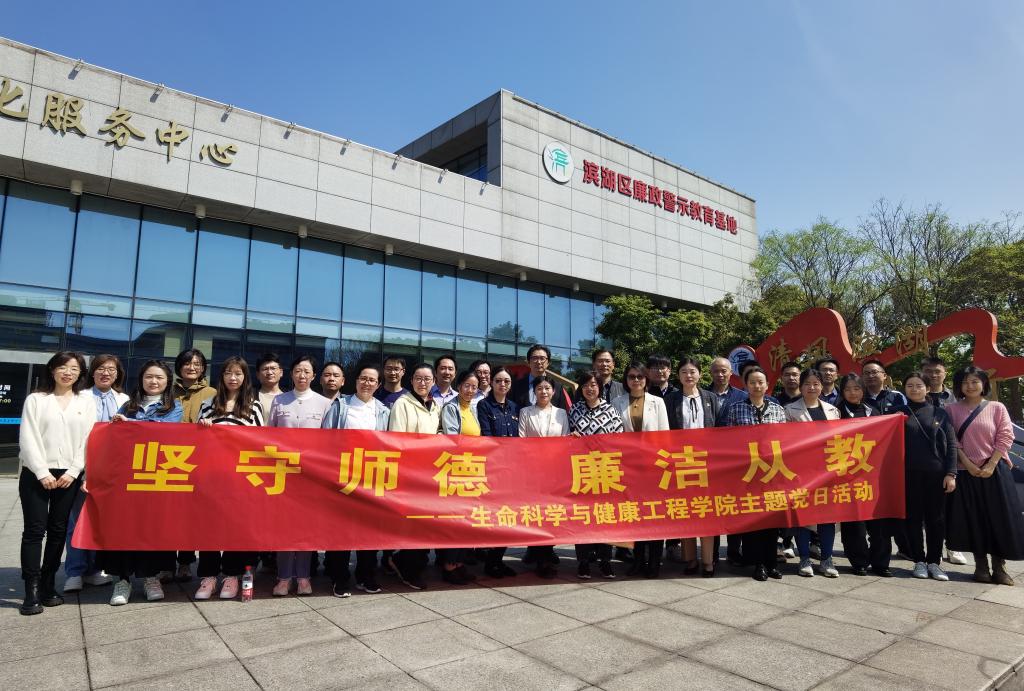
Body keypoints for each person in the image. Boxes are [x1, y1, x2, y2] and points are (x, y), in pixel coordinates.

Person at [17, 352, 95, 615]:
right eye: (62, 367)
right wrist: (42, 472)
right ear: (52, 370)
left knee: (58, 530)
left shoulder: (85, 401)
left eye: (74, 368)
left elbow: (89, 439)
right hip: (35, 473)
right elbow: (28, 437)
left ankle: (48, 584)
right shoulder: (37, 399)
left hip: (68, 476)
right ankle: (31, 588)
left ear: (80, 373)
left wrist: (74, 471)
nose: (68, 372)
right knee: (34, 531)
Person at [102, 360, 184, 605]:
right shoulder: (128, 405)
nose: (154, 381)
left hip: (157, 477)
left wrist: (131, 425)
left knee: (153, 527)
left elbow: (165, 432)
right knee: (124, 527)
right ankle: (122, 580)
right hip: (127, 477)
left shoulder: (173, 407)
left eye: (159, 377)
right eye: (149, 376)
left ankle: (151, 578)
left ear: (168, 381)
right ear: (141, 379)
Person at [945, 366, 1024, 585]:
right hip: (965, 472)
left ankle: (999, 567)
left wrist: (991, 464)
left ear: (983, 384)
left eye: (974, 381)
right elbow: (952, 440)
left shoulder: (997, 407)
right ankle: (980, 566)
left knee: (999, 518)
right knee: (973, 518)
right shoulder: (951, 409)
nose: (970, 386)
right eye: (965, 382)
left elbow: (1005, 436)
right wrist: (968, 464)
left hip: (995, 471)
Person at [194, 356, 264, 600]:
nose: (233, 378)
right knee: (209, 526)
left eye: (238, 373)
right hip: (212, 475)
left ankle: (232, 575)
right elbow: (195, 442)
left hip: (240, 477)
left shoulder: (253, 406)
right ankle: (209, 576)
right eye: (228, 373)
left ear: (245, 377)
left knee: (236, 525)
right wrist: (202, 428)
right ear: (221, 376)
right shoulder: (208, 404)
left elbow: (260, 442)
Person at [322, 365, 390, 597]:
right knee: (341, 529)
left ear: (378, 385)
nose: (367, 383)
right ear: (356, 381)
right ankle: (339, 577)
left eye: (372, 380)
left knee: (369, 530)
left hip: (371, 476)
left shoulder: (383, 411)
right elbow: (326, 440)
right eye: (363, 378)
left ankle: (365, 575)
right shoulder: (341, 406)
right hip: (343, 476)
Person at [267, 356, 331, 596]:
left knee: (306, 527)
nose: (302, 375)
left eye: (306, 371)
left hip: (310, 476)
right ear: (291, 374)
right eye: (297, 371)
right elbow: (269, 436)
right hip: (283, 474)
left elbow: (328, 441)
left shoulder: (324, 403)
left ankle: (303, 577)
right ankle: (283, 578)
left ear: (314, 375)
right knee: (284, 527)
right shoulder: (279, 400)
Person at [62, 355, 126, 594]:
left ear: (118, 374)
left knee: (102, 521)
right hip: (81, 467)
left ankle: (95, 569)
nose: (106, 373)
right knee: (76, 520)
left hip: (112, 472)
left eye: (111, 369)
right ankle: (75, 571)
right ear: (92, 372)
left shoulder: (125, 400)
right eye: (101, 368)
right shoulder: (79, 397)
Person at [720, 366, 787, 581]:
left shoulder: (777, 409)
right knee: (753, 519)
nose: (757, 386)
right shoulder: (736, 408)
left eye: (761, 382)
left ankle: (771, 563)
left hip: (772, 473)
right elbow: (730, 441)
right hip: (748, 473)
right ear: (746, 385)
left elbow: (785, 440)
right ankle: (757, 563)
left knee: (771, 520)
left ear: (767, 385)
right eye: (752, 382)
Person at [612, 362, 670, 578]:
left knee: (655, 514)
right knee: (635, 515)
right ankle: (637, 560)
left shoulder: (658, 402)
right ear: (626, 380)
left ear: (646, 379)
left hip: (653, 467)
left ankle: (654, 561)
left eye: (640, 376)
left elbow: (665, 434)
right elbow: (614, 435)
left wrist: (662, 463)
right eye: (631, 376)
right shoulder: (617, 402)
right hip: (628, 467)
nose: (636, 380)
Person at [664, 357, 721, 577]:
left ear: (700, 374)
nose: (689, 375)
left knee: (706, 511)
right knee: (686, 511)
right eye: (684, 372)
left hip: (707, 462)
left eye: (693, 371)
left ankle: (708, 561)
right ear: (678, 376)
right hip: (681, 461)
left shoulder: (711, 398)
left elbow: (720, 429)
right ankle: (690, 559)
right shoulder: (671, 399)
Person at [387, 363, 442, 590]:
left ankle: (409, 561)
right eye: (418, 378)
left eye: (427, 379)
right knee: (413, 523)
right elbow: (396, 440)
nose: (423, 382)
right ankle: (407, 567)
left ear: (433, 382)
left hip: (430, 474)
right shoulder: (402, 404)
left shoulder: (435, 406)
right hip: (410, 473)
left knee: (426, 522)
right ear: (411, 381)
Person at [900, 372, 957, 581]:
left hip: (936, 474)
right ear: (904, 389)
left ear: (927, 388)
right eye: (910, 386)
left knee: (936, 519)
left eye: (919, 385)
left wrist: (951, 473)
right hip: (908, 475)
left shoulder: (939, 413)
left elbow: (951, 444)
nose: (914, 389)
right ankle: (919, 561)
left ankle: (934, 562)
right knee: (913, 519)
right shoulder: (897, 413)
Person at [568, 370, 624, 580]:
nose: (589, 389)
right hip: (581, 471)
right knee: (582, 516)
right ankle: (583, 561)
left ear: (600, 387)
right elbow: (566, 439)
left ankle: (605, 560)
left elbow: (620, 439)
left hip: (605, 471)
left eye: (593, 385)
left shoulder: (610, 410)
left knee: (604, 516)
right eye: (585, 385)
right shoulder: (574, 410)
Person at [785, 369, 841, 578]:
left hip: (827, 472)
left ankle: (827, 559)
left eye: (816, 383)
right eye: (807, 383)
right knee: (803, 517)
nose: (812, 387)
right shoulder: (789, 410)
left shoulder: (833, 410)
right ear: (801, 386)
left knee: (828, 517)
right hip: (801, 472)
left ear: (821, 386)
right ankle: (804, 559)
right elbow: (785, 441)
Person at [836, 373, 892, 577]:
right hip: (847, 476)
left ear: (863, 390)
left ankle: (881, 563)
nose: (853, 393)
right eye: (848, 389)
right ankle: (859, 561)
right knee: (854, 523)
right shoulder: (836, 413)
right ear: (842, 392)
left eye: (857, 388)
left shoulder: (873, 411)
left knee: (879, 522)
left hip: (872, 475)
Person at [519, 374, 570, 577]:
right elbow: (521, 440)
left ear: (553, 391)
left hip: (555, 472)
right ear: (534, 392)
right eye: (539, 388)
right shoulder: (525, 412)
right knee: (535, 513)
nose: (544, 392)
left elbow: (565, 440)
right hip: (532, 471)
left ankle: (547, 553)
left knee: (551, 514)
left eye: (547, 388)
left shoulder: (561, 414)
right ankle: (539, 556)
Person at [171, 348, 216, 581]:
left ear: (203, 368)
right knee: (169, 513)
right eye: (188, 363)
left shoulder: (212, 393)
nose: (192, 367)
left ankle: (185, 562)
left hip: (198, 461)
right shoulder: (168, 390)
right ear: (179, 366)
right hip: (170, 459)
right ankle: (166, 563)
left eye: (197, 364)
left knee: (190, 514)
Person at [436, 370, 482, 585]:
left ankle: (459, 563)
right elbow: (452, 438)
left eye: (474, 387)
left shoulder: (473, 408)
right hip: (456, 470)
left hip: (472, 470)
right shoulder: (451, 407)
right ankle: (449, 565)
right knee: (455, 520)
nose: (470, 390)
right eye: (467, 385)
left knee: (468, 520)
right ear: (459, 386)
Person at [921, 355, 966, 566]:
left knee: (952, 507)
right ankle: (934, 549)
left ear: (945, 373)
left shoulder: (956, 399)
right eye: (928, 371)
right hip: (926, 461)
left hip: (954, 458)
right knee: (930, 509)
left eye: (937, 371)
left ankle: (953, 546)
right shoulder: (917, 396)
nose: (933, 375)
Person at [477, 366, 519, 579]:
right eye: (499, 381)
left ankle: (498, 560)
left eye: (506, 381)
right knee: (493, 516)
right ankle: (489, 562)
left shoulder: (514, 407)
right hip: (493, 469)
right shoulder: (483, 405)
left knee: (508, 515)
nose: (503, 384)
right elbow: (486, 435)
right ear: (491, 383)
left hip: (512, 470)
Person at [512, 344, 568, 410]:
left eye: (542, 358)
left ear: (548, 363)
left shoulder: (558, 387)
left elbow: (561, 412)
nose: (538, 362)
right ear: (528, 362)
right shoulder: (516, 385)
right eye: (535, 358)